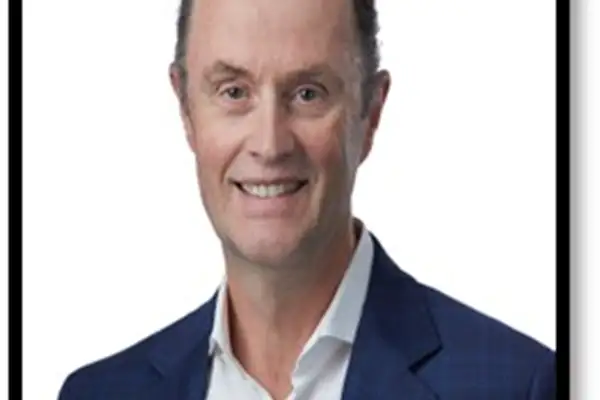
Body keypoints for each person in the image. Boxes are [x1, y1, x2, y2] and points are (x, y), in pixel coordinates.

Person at [58, 0, 555, 398]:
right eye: (233, 92)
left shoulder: (516, 385)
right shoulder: (99, 393)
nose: (270, 144)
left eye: (308, 94)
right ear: (186, 109)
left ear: (371, 114)